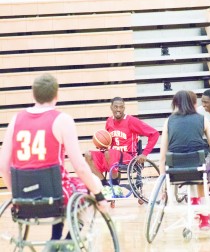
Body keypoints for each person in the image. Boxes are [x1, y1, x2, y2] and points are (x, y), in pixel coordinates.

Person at [0, 73, 107, 251]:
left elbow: (3, 167)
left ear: (33, 95)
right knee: (92, 183)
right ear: (57, 96)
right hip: (57, 195)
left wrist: (16, 195)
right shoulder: (62, 120)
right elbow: (80, 168)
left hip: (23, 195)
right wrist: (100, 196)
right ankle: (69, 241)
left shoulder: (15, 120)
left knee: (60, 187)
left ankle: (55, 239)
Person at [159, 90, 210, 231]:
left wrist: (162, 187)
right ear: (194, 104)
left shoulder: (168, 121)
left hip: (175, 170)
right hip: (199, 169)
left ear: (175, 104)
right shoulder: (202, 119)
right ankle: (205, 216)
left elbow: (162, 156)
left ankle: (195, 202)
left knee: (192, 165)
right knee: (201, 166)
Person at [86, 96, 159, 186]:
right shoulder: (109, 121)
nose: (118, 109)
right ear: (111, 107)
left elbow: (154, 134)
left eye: (121, 107)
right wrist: (101, 145)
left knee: (109, 153)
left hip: (128, 157)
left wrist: (145, 153)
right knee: (88, 155)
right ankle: (104, 184)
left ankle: (116, 186)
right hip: (111, 155)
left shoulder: (131, 121)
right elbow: (108, 143)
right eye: (116, 107)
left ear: (124, 108)